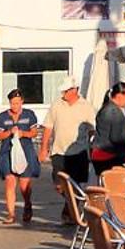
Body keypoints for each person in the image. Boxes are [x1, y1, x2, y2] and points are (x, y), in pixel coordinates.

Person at [41, 82, 94, 224]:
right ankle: (71, 208)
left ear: (75, 90)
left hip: (79, 151)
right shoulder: (56, 104)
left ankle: (71, 214)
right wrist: (43, 148)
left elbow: (92, 129)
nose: (63, 94)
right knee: (60, 184)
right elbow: (48, 127)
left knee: (76, 184)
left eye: (66, 91)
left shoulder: (86, 106)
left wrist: (93, 148)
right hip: (59, 150)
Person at [0, 89, 41, 225]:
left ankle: (27, 204)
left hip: (25, 151)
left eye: (17, 103)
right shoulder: (2, 117)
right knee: (10, 181)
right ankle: (11, 214)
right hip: (7, 152)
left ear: (22, 102)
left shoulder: (29, 115)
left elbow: (34, 133)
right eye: (12, 103)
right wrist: (9, 132)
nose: (15, 106)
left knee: (24, 184)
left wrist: (23, 133)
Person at [89, 83, 125, 174]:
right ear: (119, 96)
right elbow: (116, 137)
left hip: (99, 154)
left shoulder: (106, 108)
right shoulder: (114, 111)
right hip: (108, 156)